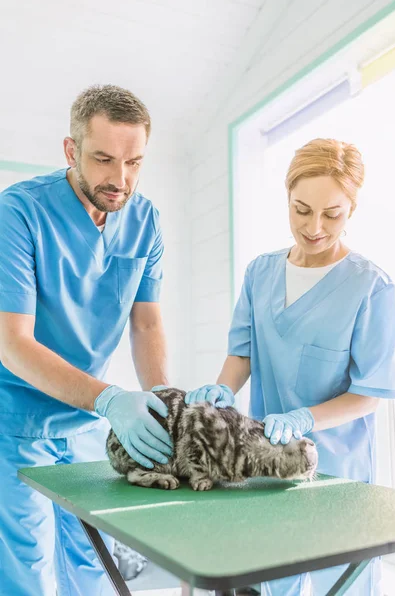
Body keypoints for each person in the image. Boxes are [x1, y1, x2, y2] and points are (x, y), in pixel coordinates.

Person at [0, 84, 232, 596]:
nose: (120, 179)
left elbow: (146, 324)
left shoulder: (144, 221)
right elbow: (11, 342)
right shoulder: (18, 213)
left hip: (86, 424)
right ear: (71, 150)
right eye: (104, 159)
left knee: (95, 563)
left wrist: (168, 404)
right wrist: (108, 398)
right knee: (27, 573)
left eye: (134, 162)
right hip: (17, 421)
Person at [186, 138, 395, 595]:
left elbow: (370, 393)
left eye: (332, 213)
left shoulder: (372, 288)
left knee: (338, 584)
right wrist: (224, 391)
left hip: (338, 474)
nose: (315, 226)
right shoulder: (259, 273)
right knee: (273, 581)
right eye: (301, 209)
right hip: (269, 464)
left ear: (353, 209)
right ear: (287, 197)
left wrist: (306, 418)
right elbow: (242, 353)